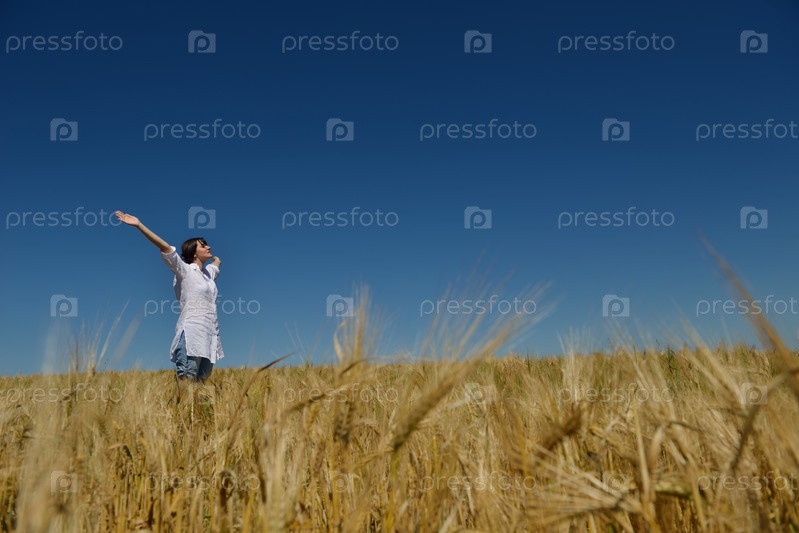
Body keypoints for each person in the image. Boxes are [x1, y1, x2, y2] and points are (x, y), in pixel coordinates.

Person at [115, 211, 224, 381]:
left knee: (201, 384)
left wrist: (217, 260)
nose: (208, 247)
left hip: (210, 336)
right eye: (203, 246)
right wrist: (139, 225)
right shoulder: (185, 271)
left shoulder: (208, 274)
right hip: (192, 333)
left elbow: (215, 266)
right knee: (187, 380)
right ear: (194, 253)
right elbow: (166, 248)